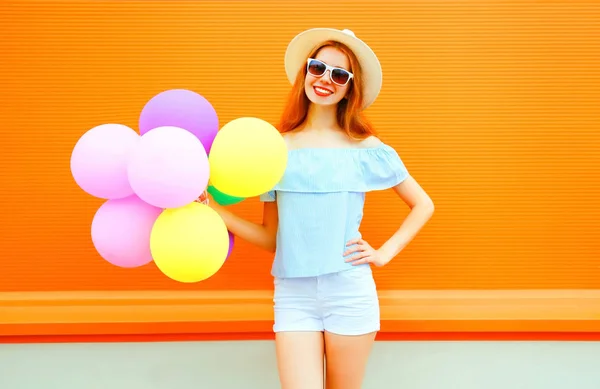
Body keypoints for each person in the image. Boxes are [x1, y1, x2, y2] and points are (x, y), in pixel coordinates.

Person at [206, 28, 435, 389]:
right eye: (318, 67)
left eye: (339, 74)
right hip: (293, 294)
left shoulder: (366, 148)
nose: (326, 79)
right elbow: (271, 238)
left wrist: (385, 252)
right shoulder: (275, 151)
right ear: (305, 73)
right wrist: (219, 213)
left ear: (349, 88)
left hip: (349, 290)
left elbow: (422, 204)